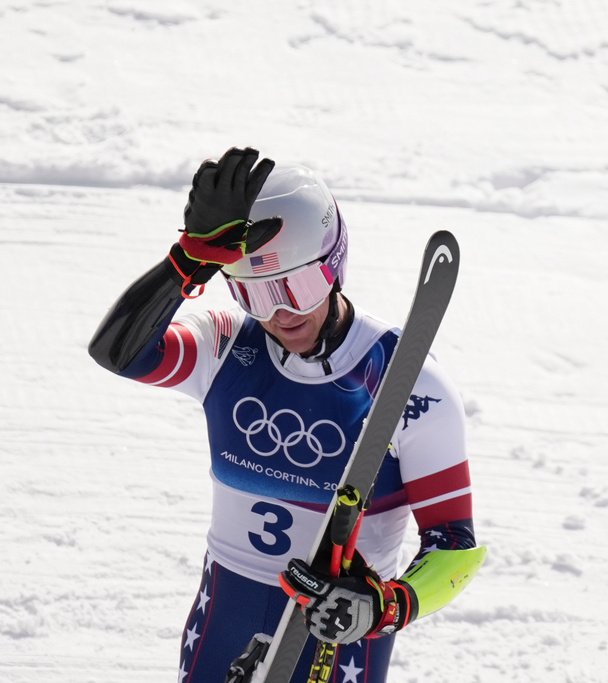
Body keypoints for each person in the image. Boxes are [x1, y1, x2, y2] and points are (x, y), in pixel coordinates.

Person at [88, 147, 485, 683]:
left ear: (333, 266)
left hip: (336, 637)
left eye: (296, 287)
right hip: (222, 622)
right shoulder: (226, 345)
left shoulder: (408, 380)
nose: (280, 313)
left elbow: (454, 546)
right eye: (253, 293)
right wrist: (185, 262)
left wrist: (386, 605)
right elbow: (120, 352)